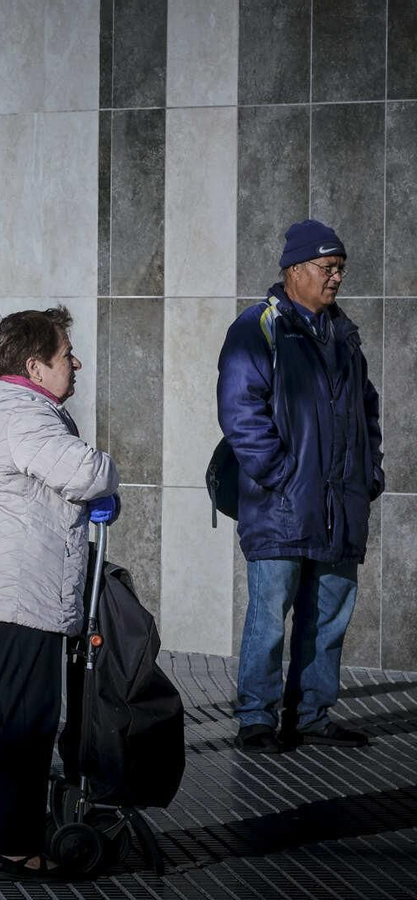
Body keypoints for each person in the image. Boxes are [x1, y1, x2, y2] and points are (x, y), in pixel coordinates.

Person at [0, 306, 118, 881]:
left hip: (4, 592)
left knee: (2, 720)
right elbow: (86, 473)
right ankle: (18, 848)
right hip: (19, 595)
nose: (76, 364)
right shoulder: (25, 414)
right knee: (29, 723)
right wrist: (107, 473)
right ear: (35, 366)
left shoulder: (9, 408)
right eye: (67, 354)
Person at [219, 219, 383, 755]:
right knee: (270, 618)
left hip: (340, 505)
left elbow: (366, 410)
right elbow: (240, 412)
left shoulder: (344, 335)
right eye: (327, 267)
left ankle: (311, 715)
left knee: (328, 619)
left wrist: (368, 474)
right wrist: (281, 477)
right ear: (294, 270)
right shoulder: (259, 327)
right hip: (281, 506)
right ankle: (256, 718)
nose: (336, 277)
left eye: (340, 268)